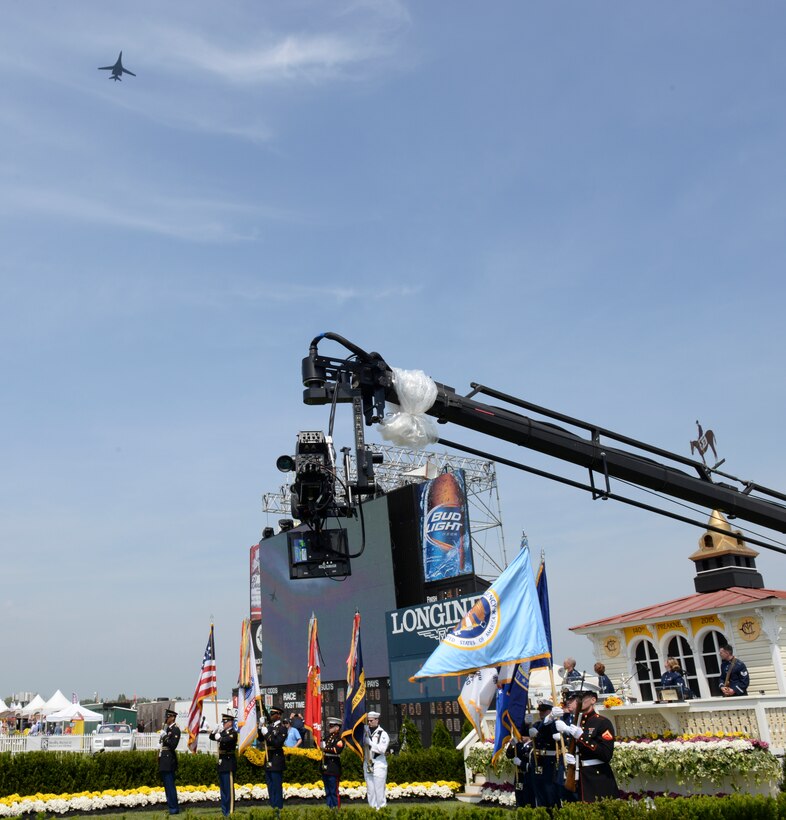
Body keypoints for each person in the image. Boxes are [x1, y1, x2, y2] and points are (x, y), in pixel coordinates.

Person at [554, 689, 618, 802]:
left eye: (583, 697)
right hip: (579, 777)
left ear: (593, 700)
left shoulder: (602, 722)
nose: (580, 700)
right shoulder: (575, 722)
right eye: (578, 698)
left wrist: (582, 737)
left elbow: (606, 754)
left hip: (596, 777)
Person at [530, 700, 564, 808]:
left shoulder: (555, 723)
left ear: (550, 711)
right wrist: (527, 726)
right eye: (540, 711)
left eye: (544, 711)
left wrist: (539, 732)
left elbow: (546, 730)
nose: (541, 713)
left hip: (551, 761)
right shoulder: (537, 724)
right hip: (538, 761)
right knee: (539, 792)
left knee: (550, 793)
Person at [209, 712, 238, 816]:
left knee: (228, 788)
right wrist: (215, 730)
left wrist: (219, 737)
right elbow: (211, 737)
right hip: (222, 763)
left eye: (225, 722)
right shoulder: (223, 732)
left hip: (229, 762)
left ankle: (230, 810)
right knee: (223, 789)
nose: (224, 724)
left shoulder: (233, 733)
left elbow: (227, 740)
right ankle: (224, 809)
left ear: (230, 723)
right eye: (223, 722)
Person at [505, 714, 535, 808]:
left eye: (523, 736)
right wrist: (511, 745)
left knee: (528, 799)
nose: (521, 738)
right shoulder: (518, 746)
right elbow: (509, 755)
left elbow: (533, 765)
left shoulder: (532, 746)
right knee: (519, 798)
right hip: (519, 777)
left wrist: (521, 763)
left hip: (528, 777)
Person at [260, 706, 288, 809]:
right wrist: (260, 727)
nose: (271, 716)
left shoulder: (282, 728)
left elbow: (277, 743)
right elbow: (260, 738)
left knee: (276, 787)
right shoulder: (269, 727)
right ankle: (273, 807)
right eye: (271, 714)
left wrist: (266, 734)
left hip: (276, 760)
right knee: (270, 787)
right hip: (268, 759)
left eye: (273, 714)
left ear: (279, 715)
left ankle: (278, 809)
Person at [363, 711, 389, 809]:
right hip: (367, 762)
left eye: (371, 720)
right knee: (370, 790)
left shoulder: (382, 733)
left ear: (377, 720)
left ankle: (381, 811)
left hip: (378, 763)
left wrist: (370, 743)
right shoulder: (365, 732)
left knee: (379, 790)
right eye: (368, 721)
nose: (369, 722)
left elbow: (382, 749)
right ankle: (372, 811)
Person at [158, 709, 181, 815]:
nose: (166, 719)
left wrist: (165, 737)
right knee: (167, 786)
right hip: (164, 760)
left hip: (169, 760)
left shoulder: (175, 730)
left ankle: (174, 808)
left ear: (172, 717)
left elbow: (173, 745)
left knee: (170, 785)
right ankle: (171, 806)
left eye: (167, 717)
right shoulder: (167, 729)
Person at [321, 716, 345, 809]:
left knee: (334, 791)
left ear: (337, 728)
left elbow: (336, 750)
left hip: (333, 767)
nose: (329, 728)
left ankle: (336, 808)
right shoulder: (327, 738)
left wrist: (325, 749)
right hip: (326, 767)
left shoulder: (339, 739)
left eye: (332, 726)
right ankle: (330, 807)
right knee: (327, 790)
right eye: (329, 726)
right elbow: (319, 745)